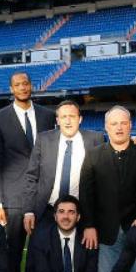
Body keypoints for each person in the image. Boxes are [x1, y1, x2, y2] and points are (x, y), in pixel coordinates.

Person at [80, 106, 136, 272]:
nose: (119, 127)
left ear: (130, 126)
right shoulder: (94, 155)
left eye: (123, 123)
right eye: (114, 123)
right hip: (106, 231)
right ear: (106, 127)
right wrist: (89, 225)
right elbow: (86, 193)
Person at [0, 72, 56, 272]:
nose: (22, 87)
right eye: (17, 84)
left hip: (43, 197)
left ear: (31, 86)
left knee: (42, 256)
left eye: (25, 83)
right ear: (11, 89)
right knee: (13, 256)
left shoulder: (48, 115)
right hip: (13, 200)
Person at [22, 99, 103, 234]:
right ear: (58, 120)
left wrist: (135, 141)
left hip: (82, 212)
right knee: (44, 253)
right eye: (63, 117)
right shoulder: (44, 139)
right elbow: (31, 176)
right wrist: (29, 210)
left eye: (72, 116)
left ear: (80, 119)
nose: (68, 121)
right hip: (48, 210)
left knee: (79, 253)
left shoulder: (95, 139)